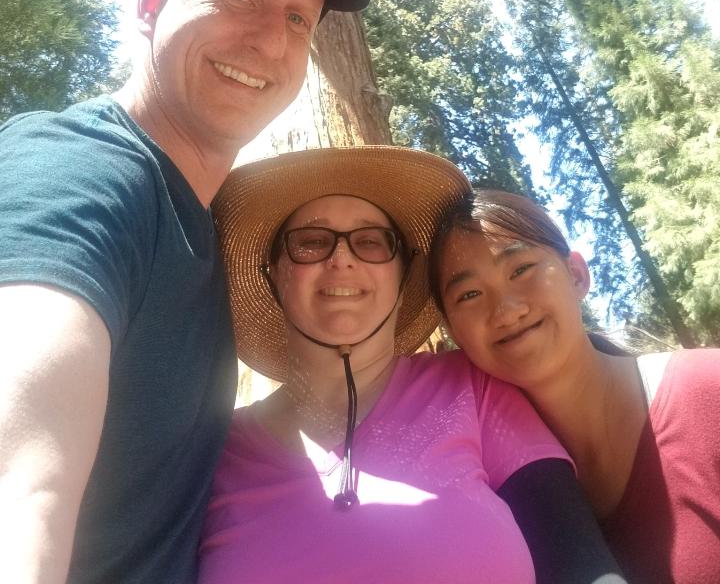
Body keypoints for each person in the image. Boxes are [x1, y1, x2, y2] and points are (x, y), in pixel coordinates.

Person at [0, 0, 372, 584]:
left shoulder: (220, 239)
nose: (269, 41)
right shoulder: (76, 172)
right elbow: (22, 487)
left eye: (299, 19)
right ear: (150, 3)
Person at [202, 146, 627, 584]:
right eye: (311, 242)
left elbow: (577, 557)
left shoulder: (471, 387)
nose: (342, 258)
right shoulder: (211, 452)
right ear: (273, 273)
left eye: (370, 241)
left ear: (404, 274)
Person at [430, 188, 720, 584]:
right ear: (452, 335)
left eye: (520, 269)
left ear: (576, 275)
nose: (506, 310)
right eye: (470, 294)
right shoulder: (493, 500)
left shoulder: (707, 390)